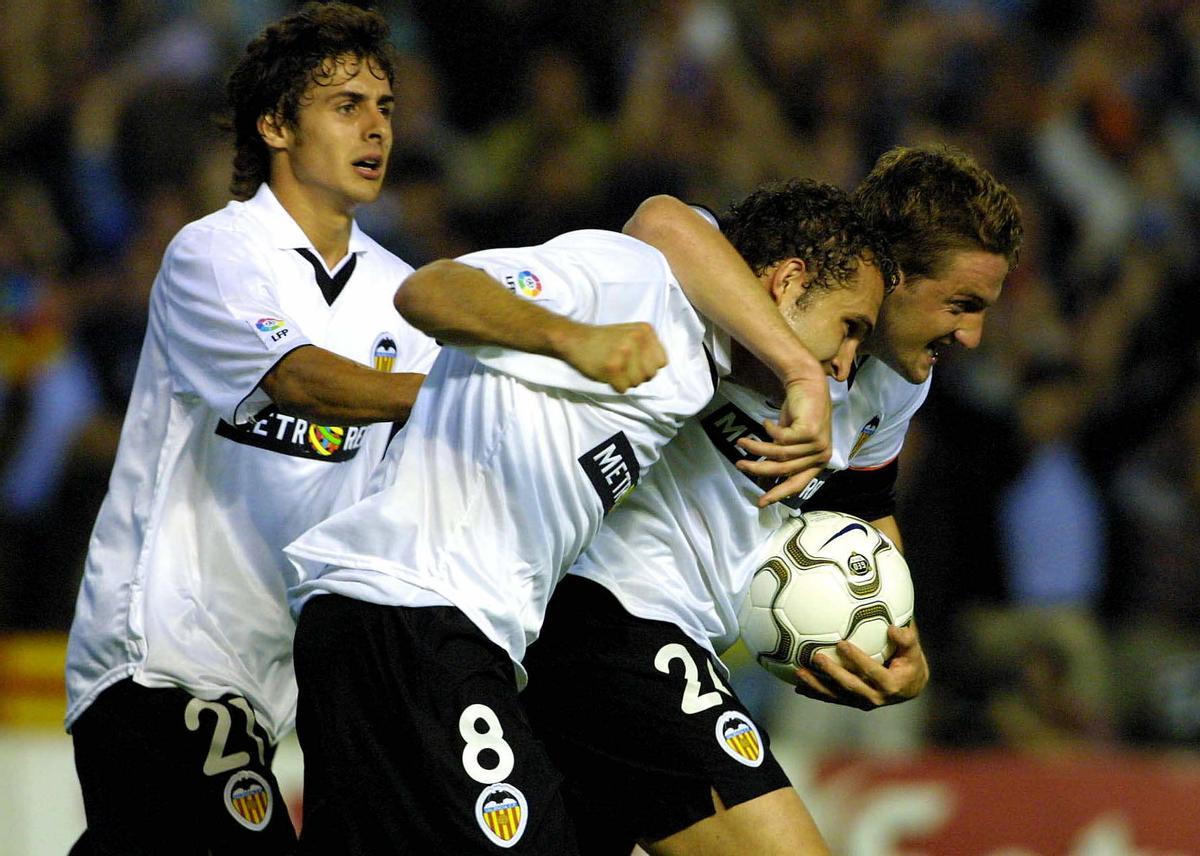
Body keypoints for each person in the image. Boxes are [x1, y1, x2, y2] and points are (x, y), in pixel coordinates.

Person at [282, 179, 892, 854]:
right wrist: (573, 338)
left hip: (397, 628)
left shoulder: (696, 360)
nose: (845, 366)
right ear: (788, 282)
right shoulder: (637, 284)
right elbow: (431, 291)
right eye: (850, 328)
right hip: (413, 613)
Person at [520, 144, 1023, 855]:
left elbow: (864, 507)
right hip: (611, 614)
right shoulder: (764, 290)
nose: (971, 335)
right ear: (894, 276)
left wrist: (894, 637)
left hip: (681, 638)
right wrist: (799, 374)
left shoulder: (898, 383)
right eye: (961, 305)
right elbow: (660, 222)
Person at [63, 5, 441, 853]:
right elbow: (299, 381)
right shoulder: (214, 254)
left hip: (269, 687)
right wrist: (465, 393)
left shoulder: (406, 297)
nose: (376, 127)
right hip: (161, 654)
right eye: (346, 105)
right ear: (275, 125)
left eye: (385, 107)